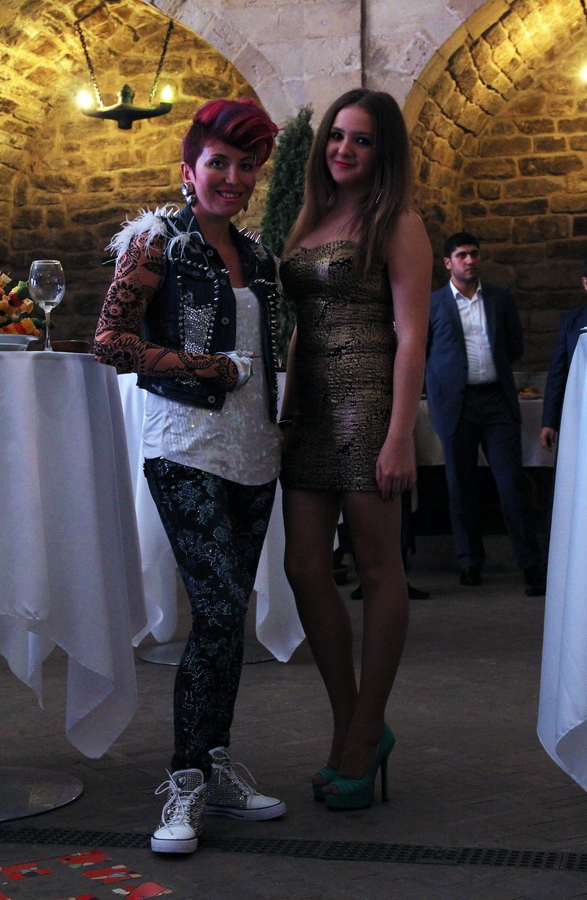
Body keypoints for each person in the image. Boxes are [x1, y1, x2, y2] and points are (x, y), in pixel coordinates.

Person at [93, 97, 286, 856]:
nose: (233, 177)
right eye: (219, 163)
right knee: (216, 607)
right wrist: (204, 365)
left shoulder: (260, 257)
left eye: (246, 166)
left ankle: (215, 764)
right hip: (183, 444)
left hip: (255, 449)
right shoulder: (155, 241)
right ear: (189, 169)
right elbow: (110, 340)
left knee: (227, 617)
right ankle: (184, 782)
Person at [279, 88, 432, 811]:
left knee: (377, 569)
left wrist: (400, 434)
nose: (344, 148)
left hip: (369, 407)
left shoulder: (397, 221)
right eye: (338, 135)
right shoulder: (311, 218)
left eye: (362, 139)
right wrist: (285, 403)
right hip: (308, 412)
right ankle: (353, 724)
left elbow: (413, 336)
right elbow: (302, 322)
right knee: (304, 568)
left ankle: (365, 731)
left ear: (383, 151)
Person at [425, 232, 545, 595]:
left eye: (474, 254)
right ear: (448, 263)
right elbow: (423, 352)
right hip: (456, 405)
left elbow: (514, 346)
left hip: (496, 402)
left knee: (511, 483)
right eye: (462, 255)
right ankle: (469, 562)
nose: (470, 260)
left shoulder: (499, 297)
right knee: (460, 486)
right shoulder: (433, 304)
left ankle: (530, 565)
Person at [540, 261, 587, 453]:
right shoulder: (572, 321)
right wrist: (549, 422)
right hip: (579, 410)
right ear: (585, 283)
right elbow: (558, 373)